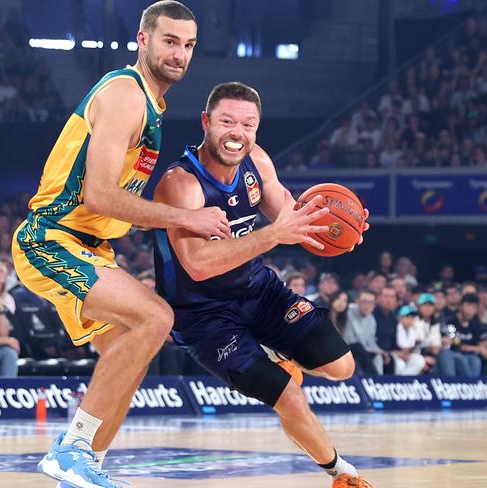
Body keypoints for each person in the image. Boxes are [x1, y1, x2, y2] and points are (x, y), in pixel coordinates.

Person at [12, 2, 231, 486]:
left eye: (189, 45)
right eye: (170, 41)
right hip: (52, 237)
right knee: (155, 317)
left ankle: (85, 466)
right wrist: (185, 217)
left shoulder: (151, 103)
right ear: (143, 39)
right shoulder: (124, 94)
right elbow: (101, 194)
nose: (180, 53)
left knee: (126, 355)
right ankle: (70, 450)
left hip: (90, 245)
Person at [152, 82, 372, 487]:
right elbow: (197, 264)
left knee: (342, 367)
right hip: (204, 315)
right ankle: (342, 474)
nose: (237, 132)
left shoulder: (257, 161)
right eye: (227, 121)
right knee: (288, 394)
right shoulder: (180, 185)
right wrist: (272, 235)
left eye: (248, 124)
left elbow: (291, 214)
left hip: (258, 290)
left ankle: (279, 356)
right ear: (206, 122)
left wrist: (338, 230)